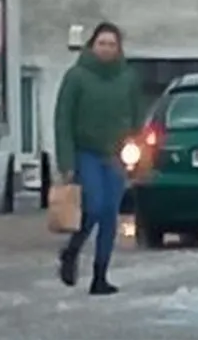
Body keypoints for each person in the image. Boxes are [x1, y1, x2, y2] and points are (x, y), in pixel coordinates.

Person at [53, 22, 144, 294]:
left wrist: (134, 150)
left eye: (112, 44)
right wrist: (66, 162)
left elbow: (137, 116)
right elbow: (63, 122)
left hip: (115, 155)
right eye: (102, 43)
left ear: (119, 49)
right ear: (92, 46)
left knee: (109, 216)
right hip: (86, 152)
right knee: (94, 205)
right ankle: (72, 250)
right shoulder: (77, 77)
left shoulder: (127, 77)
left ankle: (100, 276)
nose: (106, 49)